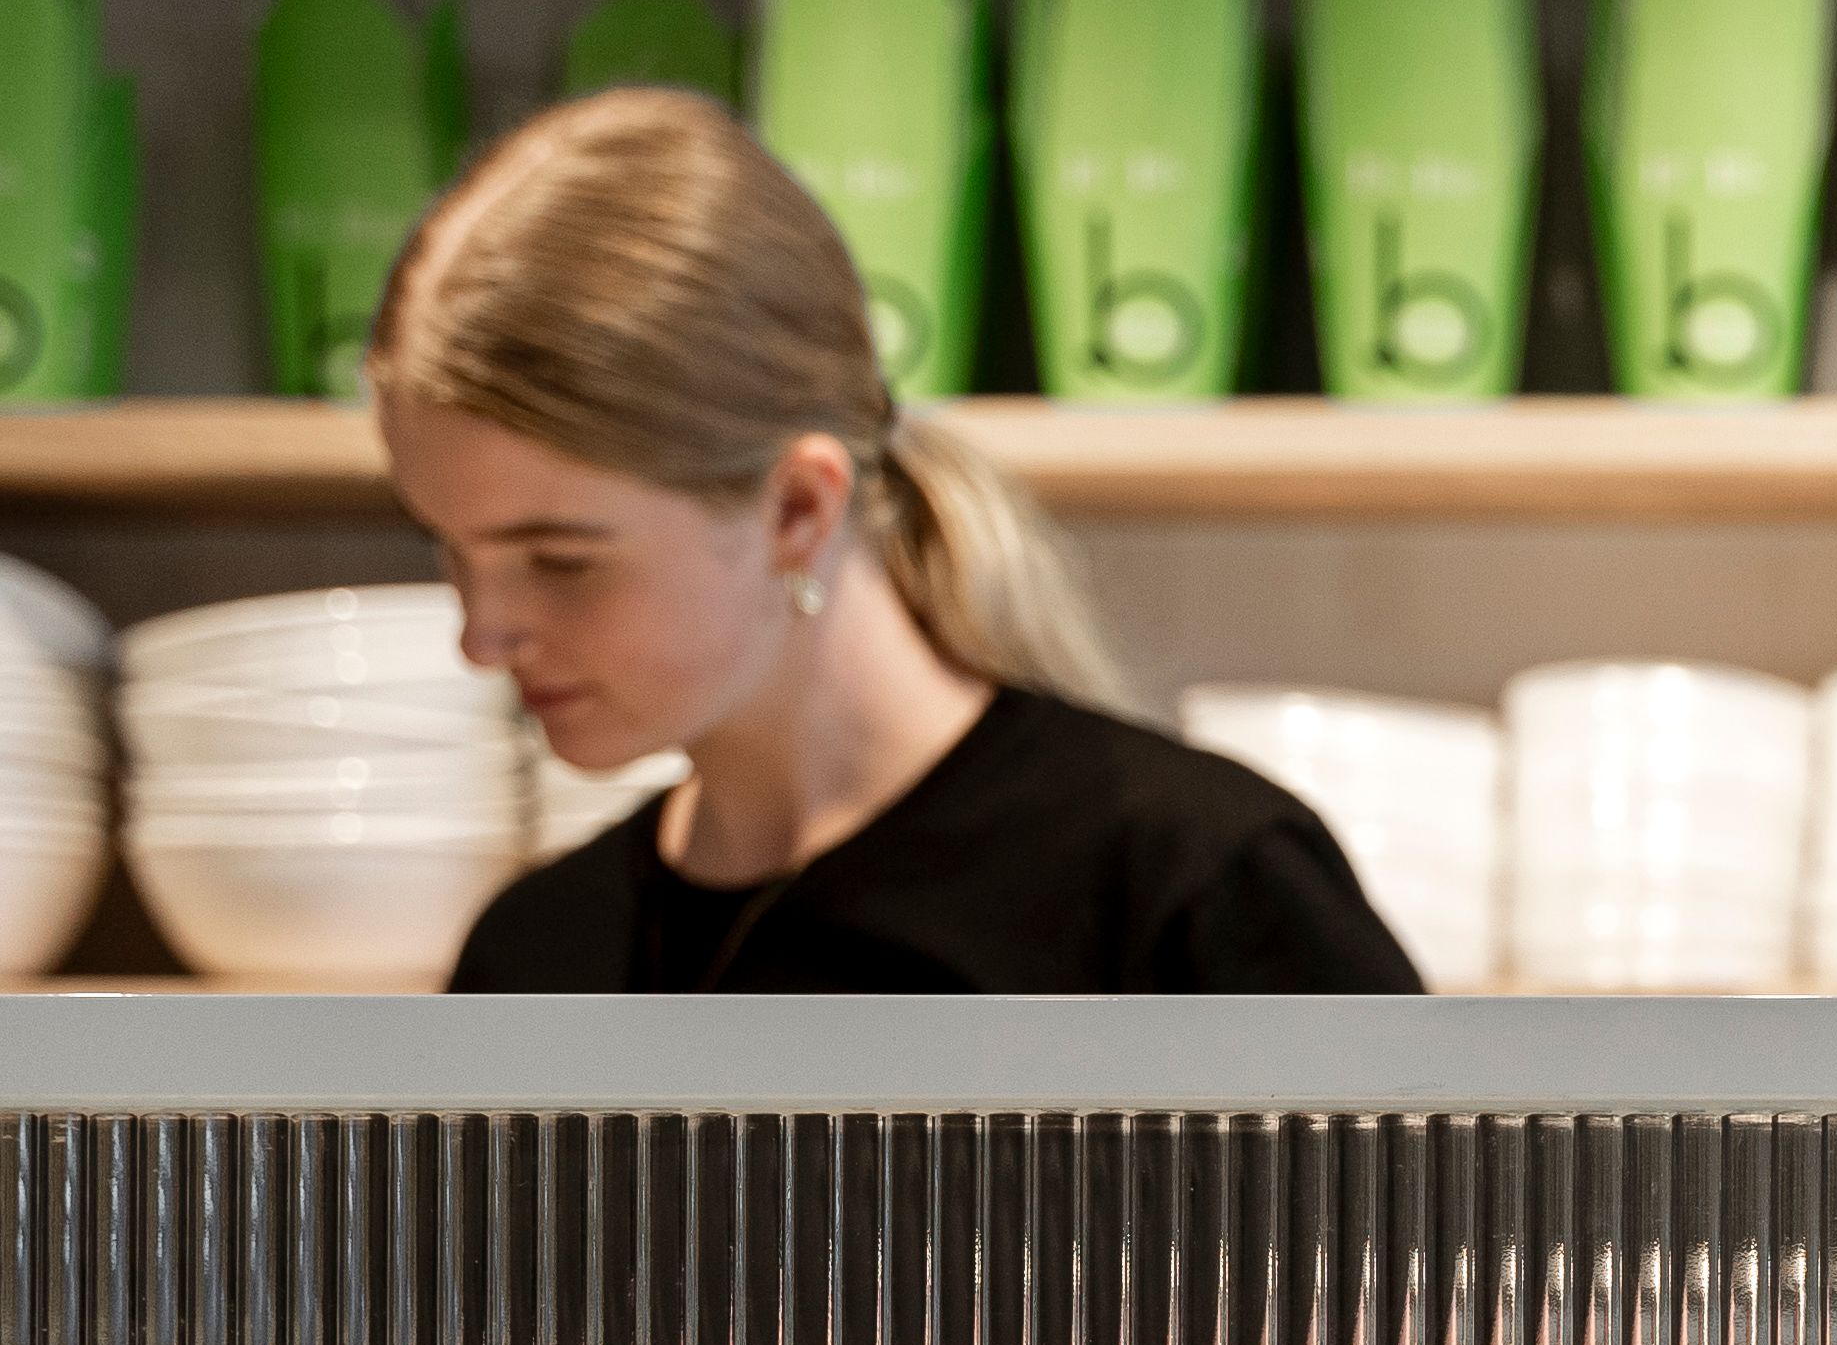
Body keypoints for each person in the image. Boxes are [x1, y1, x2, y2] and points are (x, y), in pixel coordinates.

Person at [373, 89, 1418, 996]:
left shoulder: (1194, 893)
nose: (481, 636)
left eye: (560, 562)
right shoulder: (538, 957)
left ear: (798, 509)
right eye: (452, 550)